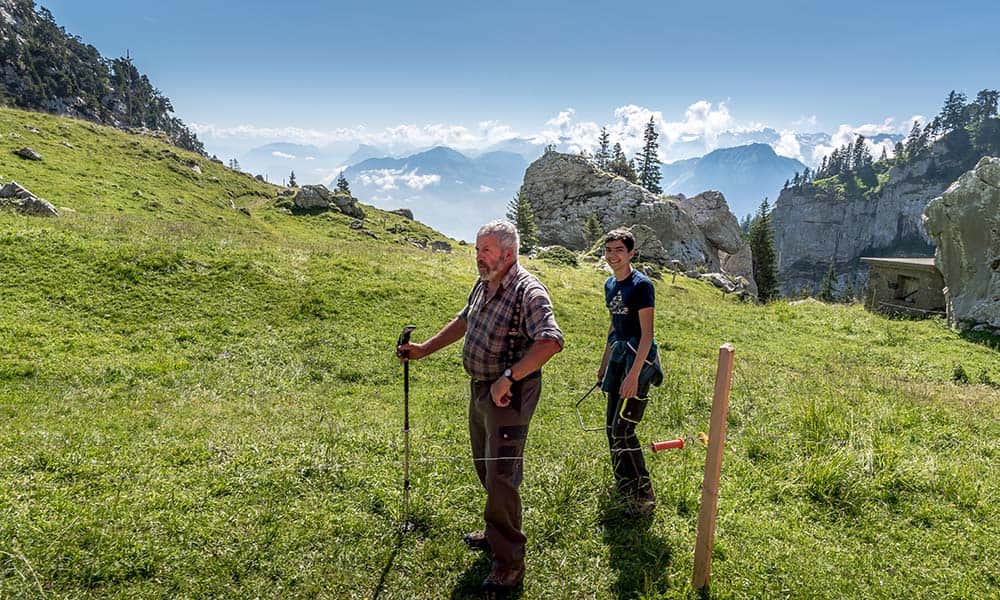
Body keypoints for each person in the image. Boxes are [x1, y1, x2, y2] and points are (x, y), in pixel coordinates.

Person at [397, 220, 563, 591]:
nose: (478, 257)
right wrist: (424, 349)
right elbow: (465, 319)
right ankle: (495, 532)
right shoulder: (485, 282)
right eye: (476, 249)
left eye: (484, 251)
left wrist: (510, 377)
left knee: (502, 475)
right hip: (482, 389)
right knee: (486, 467)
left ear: (508, 254)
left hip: (509, 393)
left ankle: (509, 562)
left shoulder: (529, 292)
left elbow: (551, 341)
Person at [596, 228, 660, 516]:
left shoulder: (641, 286)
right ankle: (623, 485)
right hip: (619, 359)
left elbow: (647, 335)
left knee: (624, 429)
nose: (613, 255)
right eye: (609, 250)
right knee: (611, 428)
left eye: (619, 250)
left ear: (631, 253)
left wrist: (634, 376)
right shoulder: (610, 285)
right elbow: (614, 326)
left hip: (639, 362)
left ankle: (643, 496)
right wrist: (604, 362)